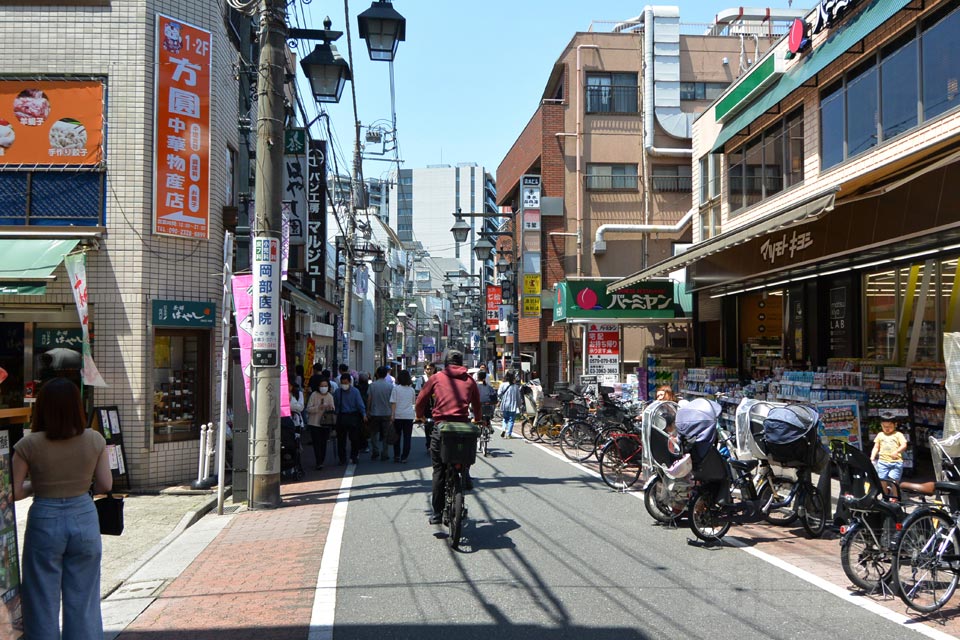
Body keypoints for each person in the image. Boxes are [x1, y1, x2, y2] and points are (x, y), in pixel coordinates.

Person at [12, 377, 113, 638]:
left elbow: (13, 492)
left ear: (43, 408)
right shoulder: (95, 439)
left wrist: (40, 484)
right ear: (76, 407)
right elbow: (104, 484)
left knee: (41, 598)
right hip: (84, 516)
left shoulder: (27, 445)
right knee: (84, 599)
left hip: (44, 517)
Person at [416, 350, 481, 525]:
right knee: (464, 458)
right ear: (461, 363)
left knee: (439, 471)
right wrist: (479, 419)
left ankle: (437, 513)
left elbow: (421, 399)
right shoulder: (469, 380)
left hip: (441, 428)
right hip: (464, 428)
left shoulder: (436, 378)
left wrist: (420, 415)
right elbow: (477, 404)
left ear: (446, 363)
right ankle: (465, 475)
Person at [333, 373, 367, 465]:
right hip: (341, 416)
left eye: (346, 383)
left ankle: (354, 456)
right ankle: (342, 459)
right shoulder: (337, 392)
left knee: (354, 439)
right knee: (341, 440)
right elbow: (335, 405)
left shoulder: (355, 391)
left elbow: (360, 404)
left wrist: (364, 414)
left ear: (350, 382)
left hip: (353, 416)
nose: (344, 385)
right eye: (343, 383)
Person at [305, 374, 336, 470]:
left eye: (325, 386)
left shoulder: (330, 396)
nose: (324, 388)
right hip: (314, 423)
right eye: (322, 386)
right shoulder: (314, 395)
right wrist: (318, 408)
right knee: (316, 443)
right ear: (318, 386)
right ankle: (318, 461)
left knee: (323, 443)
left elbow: (333, 408)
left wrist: (330, 407)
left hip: (325, 423)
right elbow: (308, 409)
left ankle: (321, 460)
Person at [871, 417, 908, 497]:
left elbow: (904, 445)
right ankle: (885, 495)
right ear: (881, 425)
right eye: (884, 426)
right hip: (882, 462)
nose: (887, 429)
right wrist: (872, 456)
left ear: (895, 425)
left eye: (889, 426)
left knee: (894, 481)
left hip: (896, 462)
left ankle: (895, 496)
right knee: (882, 480)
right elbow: (876, 447)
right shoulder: (880, 435)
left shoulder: (898, 435)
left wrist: (897, 451)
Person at [367, 366, 395, 461]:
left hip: (375, 413)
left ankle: (375, 451)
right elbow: (392, 401)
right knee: (385, 434)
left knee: (373, 433)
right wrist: (392, 414)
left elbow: (369, 399)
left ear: (377, 374)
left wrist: (368, 411)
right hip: (387, 413)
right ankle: (385, 453)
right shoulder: (390, 386)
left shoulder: (372, 385)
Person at [390, 369, 417, 462]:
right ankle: (404, 457)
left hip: (398, 415)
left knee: (397, 436)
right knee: (407, 437)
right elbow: (413, 402)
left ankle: (397, 455)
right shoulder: (412, 390)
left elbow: (393, 403)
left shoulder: (396, 389)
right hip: (409, 416)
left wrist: (392, 415)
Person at [416, 362, 437, 448]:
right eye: (427, 369)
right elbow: (417, 393)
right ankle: (429, 444)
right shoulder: (421, 379)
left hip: (436, 406)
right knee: (427, 425)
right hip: (426, 406)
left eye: (431, 369)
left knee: (436, 425)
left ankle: (434, 444)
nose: (429, 370)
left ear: (434, 369)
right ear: (425, 370)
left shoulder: (437, 378)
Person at [497, 370, 523, 438]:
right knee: (511, 420)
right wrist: (520, 405)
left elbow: (499, 393)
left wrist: (502, 398)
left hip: (505, 404)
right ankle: (509, 434)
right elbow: (518, 397)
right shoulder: (515, 386)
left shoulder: (502, 384)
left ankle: (503, 429)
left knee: (505, 418)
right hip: (513, 405)